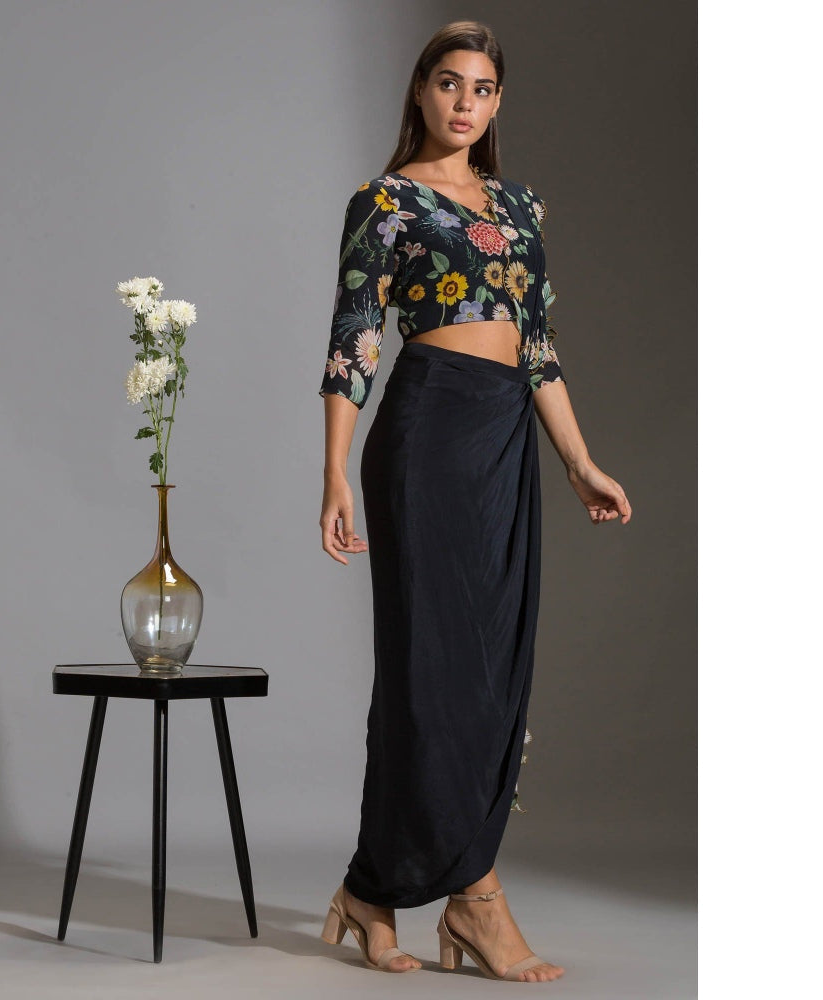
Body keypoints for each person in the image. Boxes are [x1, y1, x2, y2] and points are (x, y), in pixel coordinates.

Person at [316, 20, 631, 983]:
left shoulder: (520, 206)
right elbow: (355, 336)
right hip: (425, 433)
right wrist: (334, 471)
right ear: (421, 91)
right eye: (449, 83)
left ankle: (372, 890)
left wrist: (578, 462)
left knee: (492, 675)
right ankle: (477, 897)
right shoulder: (386, 201)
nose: (465, 102)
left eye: (483, 88)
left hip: (504, 438)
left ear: (498, 103)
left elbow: (538, 347)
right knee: (434, 670)